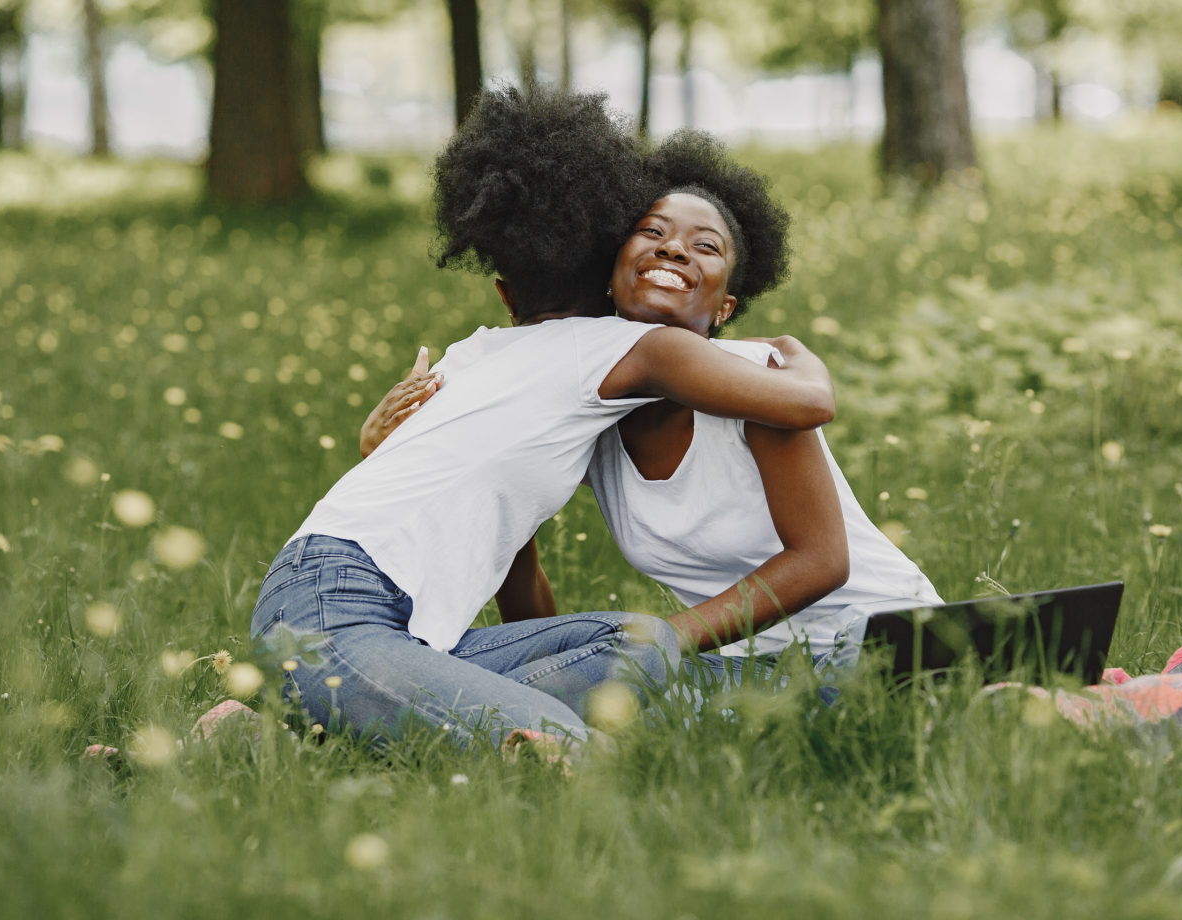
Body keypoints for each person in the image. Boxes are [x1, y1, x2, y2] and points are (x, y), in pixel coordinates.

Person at [251, 88, 837, 754]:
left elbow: (511, 570)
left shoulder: (468, 360)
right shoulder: (627, 346)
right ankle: (328, 710)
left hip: (327, 598)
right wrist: (789, 354)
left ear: (504, 292)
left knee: (642, 645)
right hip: (341, 616)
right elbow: (808, 404)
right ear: (614, 271)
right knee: (561, 744)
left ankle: (267, 734)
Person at [363, 130, 942, 691]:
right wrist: (543, 679)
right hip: (738, 668)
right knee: (577, 706)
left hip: (876, 637)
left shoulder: (758, 386)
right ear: (611, 278)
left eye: (706, 245)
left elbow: (822, 561)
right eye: (651, 232)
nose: (673, 248)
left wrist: (650, 644)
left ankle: (969, 681)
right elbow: (516, 567)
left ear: (724, 308)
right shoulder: (581, 405)